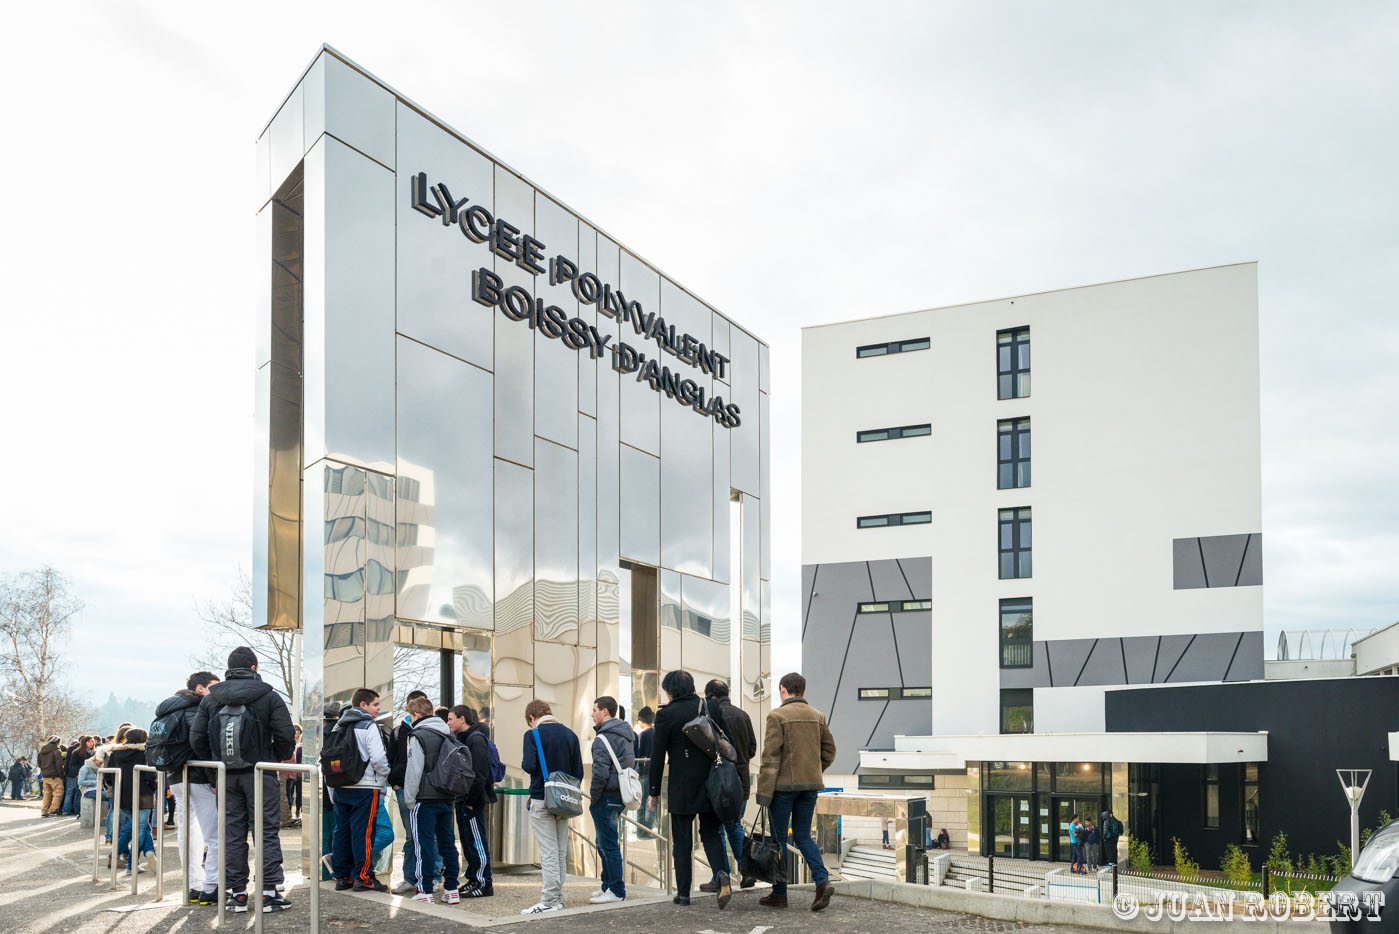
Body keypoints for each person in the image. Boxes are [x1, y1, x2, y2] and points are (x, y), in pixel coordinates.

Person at [190, 646, 296, 913]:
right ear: (254, 668)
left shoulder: (211, 698)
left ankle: (237, 894)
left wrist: (215, 770)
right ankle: (268, 892)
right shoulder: (268, 696)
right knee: (265, 832)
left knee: (232, 834)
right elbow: (285, 735)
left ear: (228, 669)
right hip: (260, 772)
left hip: (226, 776)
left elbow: (197, 739)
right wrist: (276, 758)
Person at [648, 669, 733, 909]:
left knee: (682, 841)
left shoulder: (666, 715)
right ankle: (721, 875)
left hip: (682, 785)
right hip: (712, 781)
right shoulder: (711, 707)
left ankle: (683, 894)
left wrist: (653, 790)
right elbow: (728, 742)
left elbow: (657, 756)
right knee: (711, 834)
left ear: (670, 691)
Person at [756, 671, 836, 912]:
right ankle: (822, 881)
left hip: (782, 788)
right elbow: (829, 751)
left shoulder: (777, 716)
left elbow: (770, 757)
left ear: (782, 689)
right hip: (810, 786)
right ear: (803, 691)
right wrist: (813, 769)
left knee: (779, 840)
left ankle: (780, 893)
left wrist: (763, 793)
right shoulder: (817, 716)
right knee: (802, 836)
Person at [156, 670, 222, 906]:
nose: (219, 690)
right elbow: (202, 743)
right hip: (198, 777)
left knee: (188, 831)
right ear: (200, 688)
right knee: (215, 835)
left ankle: (193, 884)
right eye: (214, 686)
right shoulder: (197, 709)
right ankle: (211, 887)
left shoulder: (170, 708)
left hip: (176, 777)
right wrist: (214, 778)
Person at [520, 698, 582, 915]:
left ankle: (548, 900)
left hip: (541, 797)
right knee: (559, 851)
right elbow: (578, 772)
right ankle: (557, 898)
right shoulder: (570, 735)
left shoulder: (533, 735)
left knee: (548, 852)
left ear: (531, 718)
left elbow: (529, 765)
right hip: (564, 800)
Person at [326, 687, 391, 894]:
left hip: (341, 785)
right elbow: (379, 759)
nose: (379, 709)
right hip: (365, 787)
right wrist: (383, 776)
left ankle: (342, 876)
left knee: (342, 832)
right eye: (375, 704)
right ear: (363, 705)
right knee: (363, 833)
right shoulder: (368, 725)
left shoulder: (338, 725)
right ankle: (363, 877)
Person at [402, 695, 462, 904]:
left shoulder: (418, 735)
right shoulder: (449, 734)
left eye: (410, 715)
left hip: (424, 799)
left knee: (423, 844)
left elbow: (414, 771)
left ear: (416, 714)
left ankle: (425, 890)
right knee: (447, 844)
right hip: (446, 797)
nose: (409, 719)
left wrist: (410, 800)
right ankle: (452, 889)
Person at [701, 679, 757, 893]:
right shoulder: (742, 715)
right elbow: (752, 749)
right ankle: (747, 870)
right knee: (735, 825)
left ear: (711, 697)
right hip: (741, 781)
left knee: (716, 830)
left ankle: (721, 877)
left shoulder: (710, 716)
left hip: (718, 781)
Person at [588, 695, 635, 904]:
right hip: (620, 795)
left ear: (605, 711)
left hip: (606, 796)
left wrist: (593, 797)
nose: (592, 714)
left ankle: (616, 890)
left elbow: (599, 773)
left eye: (595, 710)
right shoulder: (627, 734)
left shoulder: (602, 738)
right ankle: (607, 885)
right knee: (604, 842)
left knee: (608, 845)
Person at [447, 704, 494, 898]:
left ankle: (484, 882)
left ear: (462, 719)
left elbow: (480, 774)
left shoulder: (476, 740)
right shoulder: (463, 739)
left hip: (471, 800)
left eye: (450, 718)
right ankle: (474, 878)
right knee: (467, 840)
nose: (448, 722)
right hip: (463, 798)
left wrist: (471, 799)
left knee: (476, 840)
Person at [388, 690, 428, 895]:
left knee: (431, 834)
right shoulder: (398, 731)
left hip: (427, 790)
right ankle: (410, 877)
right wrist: (395, 782)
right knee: (411, 836)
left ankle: (432, 875)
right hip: (403, 788)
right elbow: (391, 758)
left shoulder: (431, 729)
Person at [108, 728, 157, 874]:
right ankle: (132, 864)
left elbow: (108, 777)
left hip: (121, 797)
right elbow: (150, 776)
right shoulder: (145, 753)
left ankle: (148, 850)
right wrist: (153, 788)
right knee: (141, 828)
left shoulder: (115, 753)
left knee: (138, 827)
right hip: (143, 796)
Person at [634, 707, 655, 827]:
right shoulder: (657, 732)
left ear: (642, 721)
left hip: (644, 773)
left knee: (641, 802)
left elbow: (640, 754)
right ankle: (650, 826)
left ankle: (641, 828)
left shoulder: (643, 734)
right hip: (653, 772)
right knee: (652, 803)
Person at [63, 736, 92, 816]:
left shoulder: (93, 752)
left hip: (90, 776)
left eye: (92, 741)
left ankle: (72, 810)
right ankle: (76, 811)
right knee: (77, 793)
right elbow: (72, 764)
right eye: (88, 741)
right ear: (84, 742)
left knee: (73, 793)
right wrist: (77, 774)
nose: (91, 743)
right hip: (79, 775)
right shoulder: (77, 752)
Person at [38, 735, 65, 816]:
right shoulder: (57, 751)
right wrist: (61, 775)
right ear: (57, 742)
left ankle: (44, 811)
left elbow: (39, 764)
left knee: (46, 794)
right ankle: (53, 810)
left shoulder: (41, 752)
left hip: (45, 776)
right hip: (55, 776)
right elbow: (59, 765)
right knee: (58, 793)